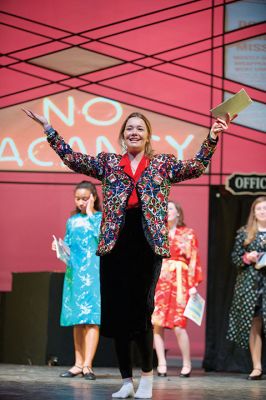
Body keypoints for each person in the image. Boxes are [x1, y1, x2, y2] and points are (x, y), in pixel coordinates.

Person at [23, 107, 233, 398]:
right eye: (129, 128)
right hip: (115, 244)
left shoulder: (162, 164)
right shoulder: (109, 163)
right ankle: (126, 381)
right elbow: (73, 159)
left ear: (147, 136)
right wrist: (49, 128)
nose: (134, 132)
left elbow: (196, 167)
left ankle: (146, 377)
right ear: (123, 135)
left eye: (140, 129)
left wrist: (212, 137)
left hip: (147, 244)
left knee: (142, 312)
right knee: (116, 314)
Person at [53, 180, 102, 380]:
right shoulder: (71, 220)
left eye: (85, 198)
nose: (81, 202)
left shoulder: (100, 218)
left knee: (91, 319)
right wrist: (59, 247)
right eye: (78, 198)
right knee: (77, 320)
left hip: (93, 273)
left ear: (93, 197)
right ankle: (78, 364)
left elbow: (103, 241)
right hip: (74, 273)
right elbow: (69, 244)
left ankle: (88, 365)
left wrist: (91, 214)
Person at [152, 201, 202, 378]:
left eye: (170, 208)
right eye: (164, 208)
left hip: (180, 281)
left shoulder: (188, 234)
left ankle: (187, 363)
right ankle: (161, 364)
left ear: (178, 213)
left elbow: (194, 259)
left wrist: (193, 285)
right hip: (160, 281)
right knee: (156, 324)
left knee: (179, 325)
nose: (167, 211)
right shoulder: (157, 233)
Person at [227, 196, 266, 380]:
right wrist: (247, 257)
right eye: (259, 209)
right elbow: (234, 258)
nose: (263, 211)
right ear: (254, 212)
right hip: (251, 285)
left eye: (265, 208)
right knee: (255, 324)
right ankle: (257, 366)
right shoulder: (244, 233)